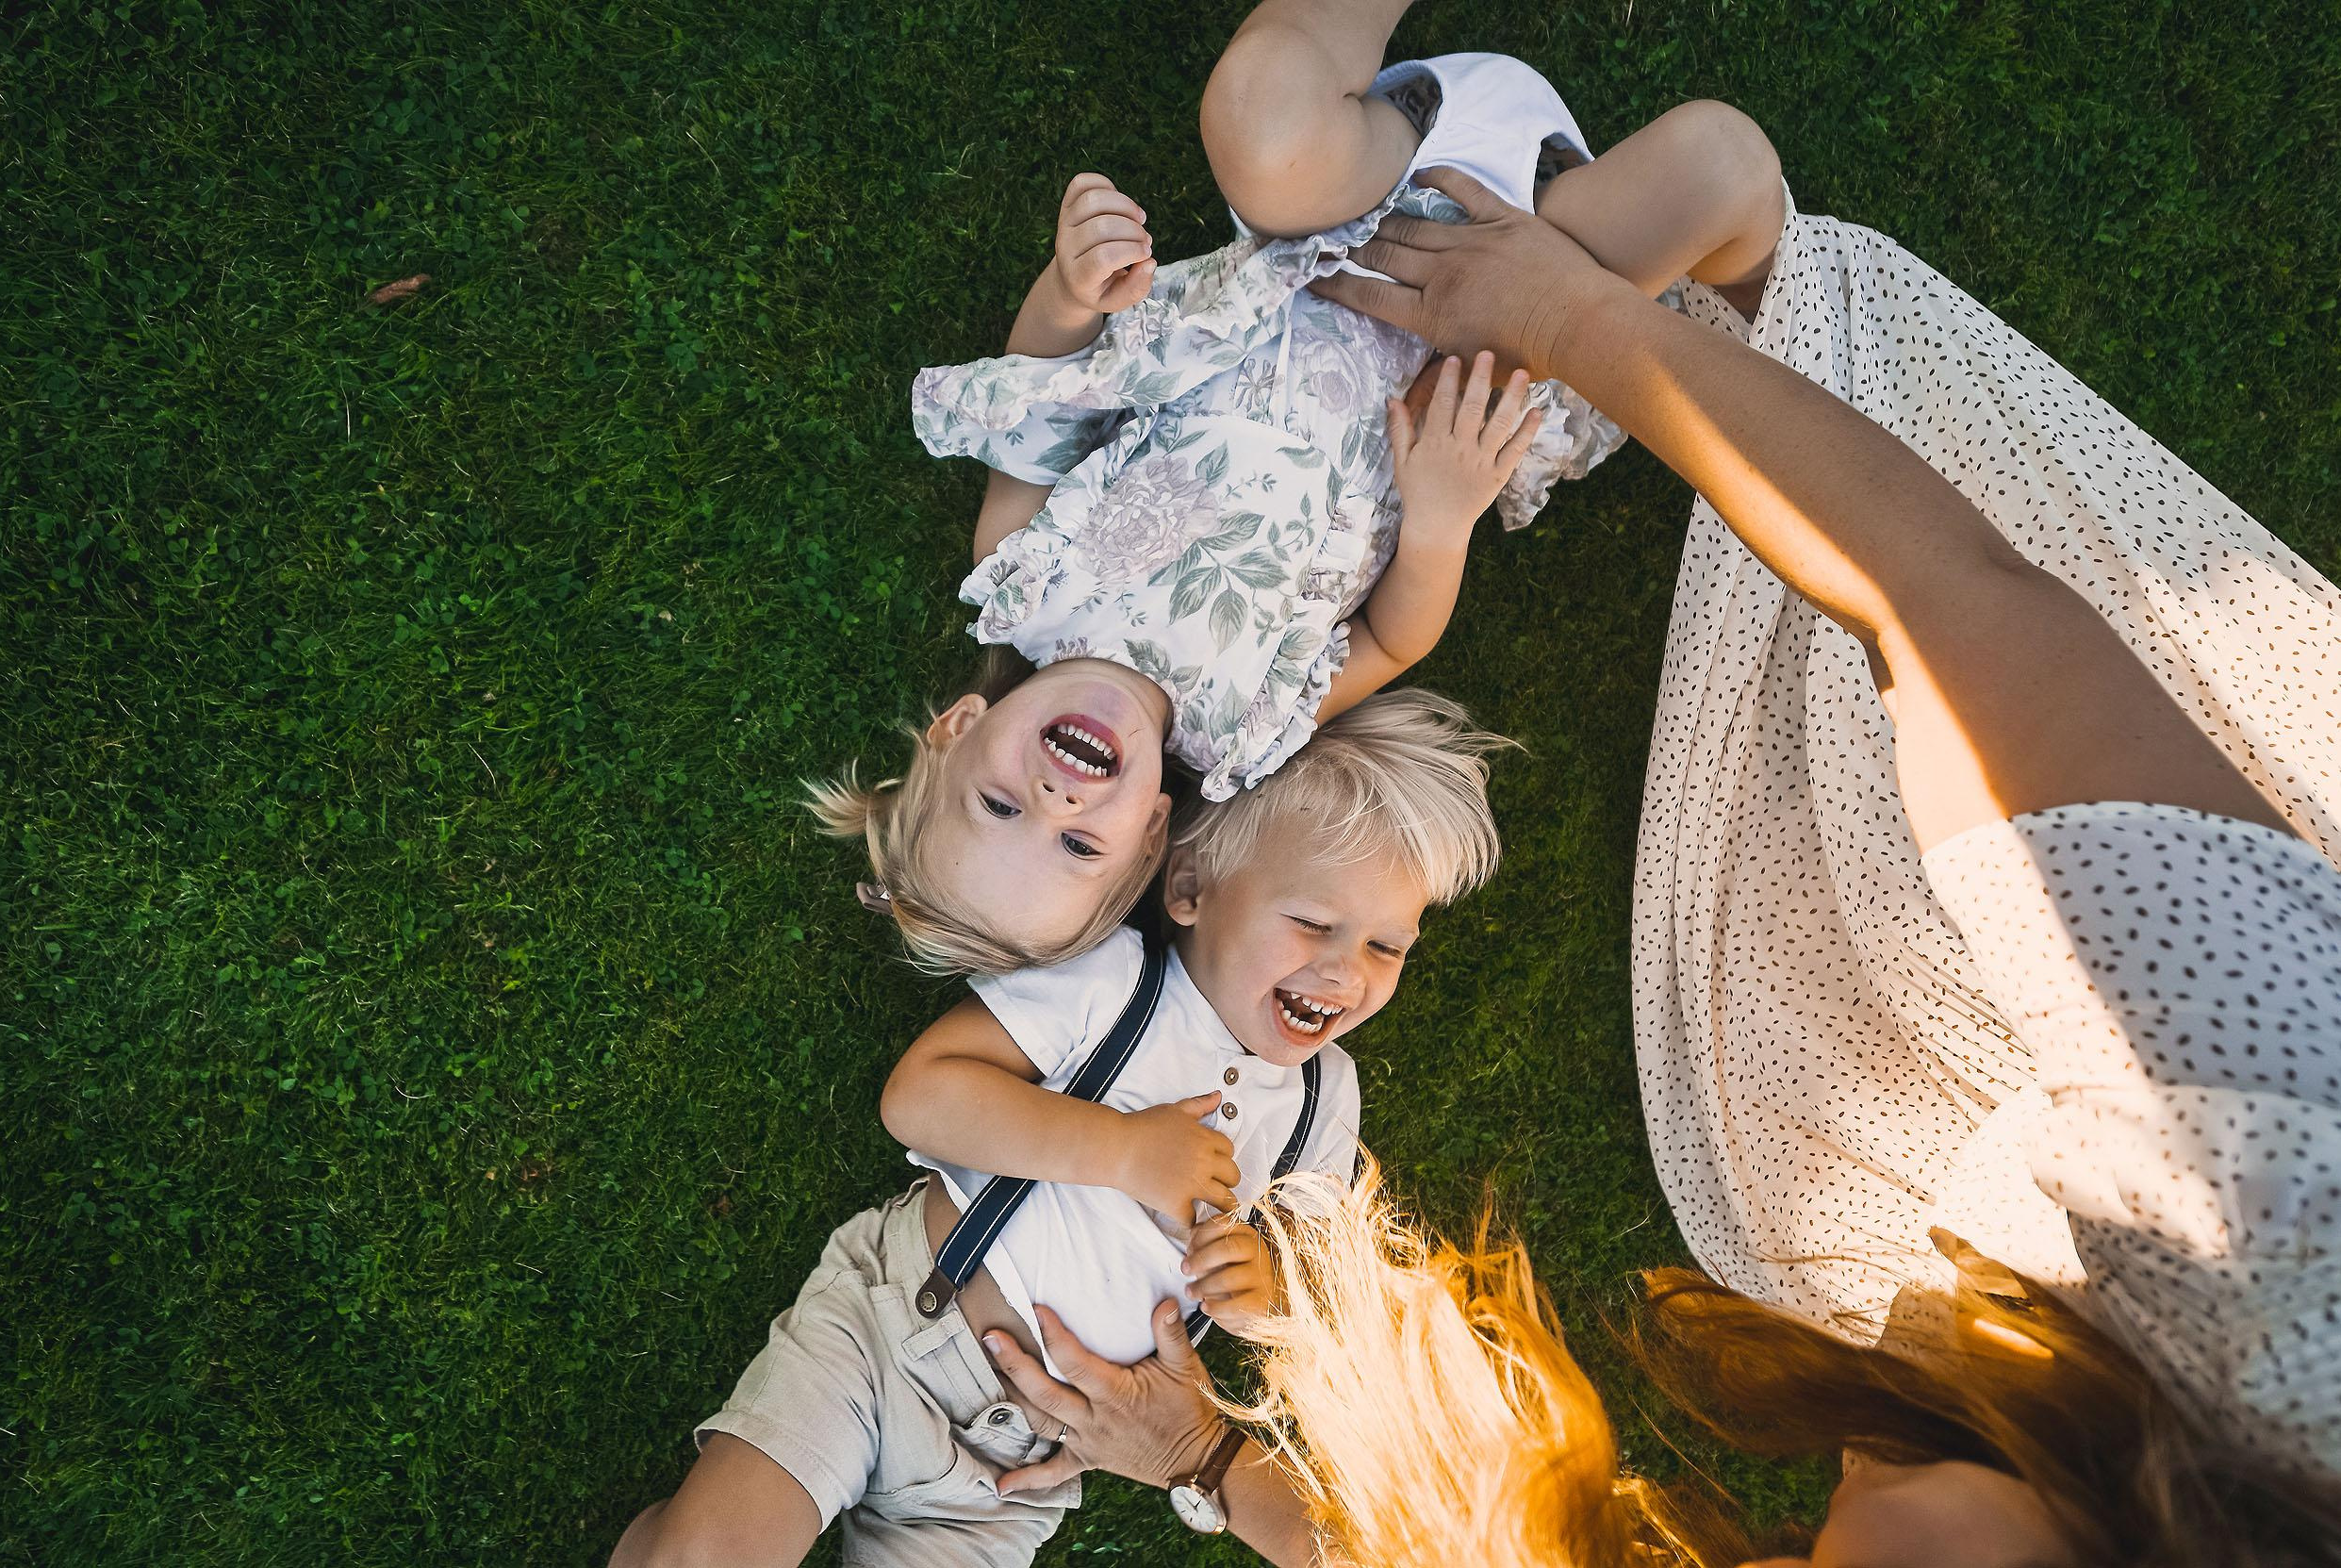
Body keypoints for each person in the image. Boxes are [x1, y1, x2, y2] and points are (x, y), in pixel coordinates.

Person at [974, 78, 2341, 1568]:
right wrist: (1576, 321)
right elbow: (1953, 607)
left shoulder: (1119, 690)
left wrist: (1210, 1451)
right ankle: (1746, 256)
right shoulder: (2274, 1206)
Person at [809, 0, 1741, 977]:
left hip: (1333, 240)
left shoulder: (1022, 581)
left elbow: (1039, 398)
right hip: (1475, 336)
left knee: (1259, 120)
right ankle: (1630, 216)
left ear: (960, 727)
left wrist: (1070, 291)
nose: (1057, 801)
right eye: (1080, 846)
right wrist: (1442, 516)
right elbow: (1392, 640)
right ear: (1152, 832)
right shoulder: (1245, 728)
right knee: (1716, 167)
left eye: (999, 805)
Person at [609, 689, 1508, 1568]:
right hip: (897, 1333)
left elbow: (1322, 1288)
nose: (1346, 973)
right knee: (704, 1555)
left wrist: (1263, 1296)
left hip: (1020, 1468)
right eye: (1313, 922)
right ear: (1190, 887)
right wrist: (1122, 1149)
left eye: (1387, 946)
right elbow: (921, 1096)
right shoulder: (1116, 982)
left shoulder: (1324, 1094)